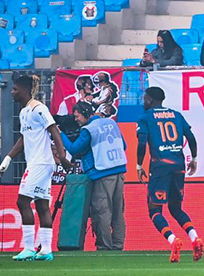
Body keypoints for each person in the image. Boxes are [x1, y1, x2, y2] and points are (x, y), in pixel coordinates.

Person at [1, 75, 67, 261]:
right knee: (42, 205)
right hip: (38, 163)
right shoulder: (24, 112)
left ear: (23, 90)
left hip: (41, 163)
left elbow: (54, 129)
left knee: (22, 202)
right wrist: (8, 157)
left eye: (14, 89)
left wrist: (61, 156)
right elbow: (23, 138)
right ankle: (46, 249)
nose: (12, 93)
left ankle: (28, 247)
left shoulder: (39, 109)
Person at [135, 86, 203, 263]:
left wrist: (138, 165)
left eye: (145, 98)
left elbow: (142, 143)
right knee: (176, 208)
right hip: (178, 165)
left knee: (154, 210)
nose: (144, 101)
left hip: (160, 167)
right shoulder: (176, 115)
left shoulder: (145, 118)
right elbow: (191, 137)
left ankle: (173, 240)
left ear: (150, 100)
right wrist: (194, 158)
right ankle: (195, 238)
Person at [63, 101, 127, 251]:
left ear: (85, 114)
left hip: (102, 173)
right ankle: (118, 246)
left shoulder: (88, 129)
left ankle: (104, 246)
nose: (76, 120)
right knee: (118, 212)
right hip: (119, 171)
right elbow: (123, 145)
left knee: (102, 211)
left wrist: (59, 134)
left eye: (77, 116)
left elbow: (73, 149)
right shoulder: (111, 123)